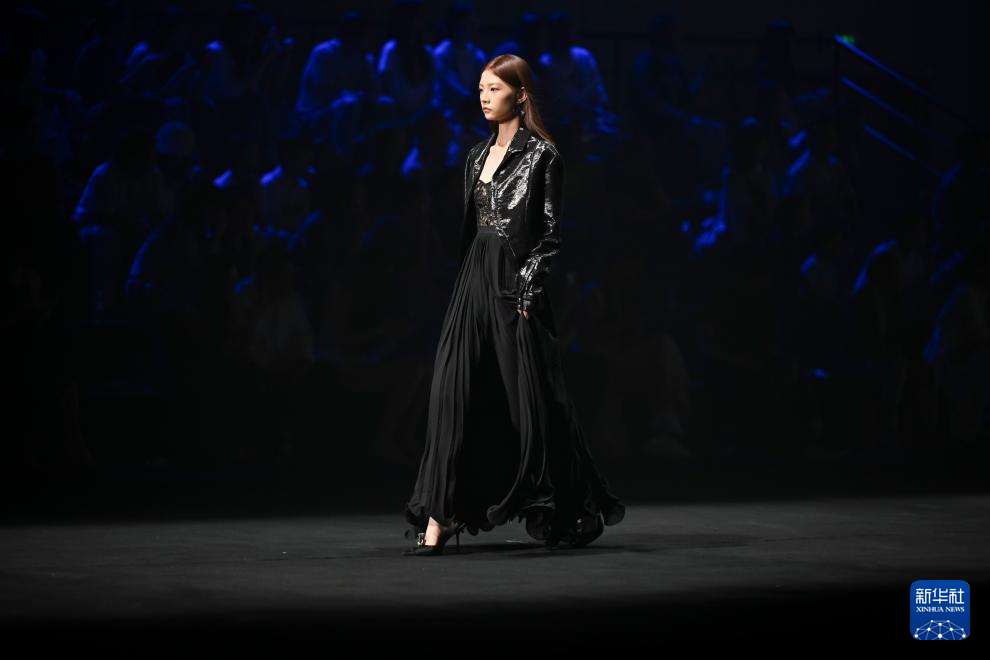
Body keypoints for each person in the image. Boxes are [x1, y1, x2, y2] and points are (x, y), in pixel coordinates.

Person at [403, 54, 625, 556]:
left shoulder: (543, 156)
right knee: (451, 392)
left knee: (532, 401)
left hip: (514, 285)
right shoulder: (474, 156)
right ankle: (440, 514)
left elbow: (549, 236)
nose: (484, 97)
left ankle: (565, 506)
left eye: (494, 88)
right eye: (480, 88)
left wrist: (527, 288)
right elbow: (473, 230)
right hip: (474, 282)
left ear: (520, 95)